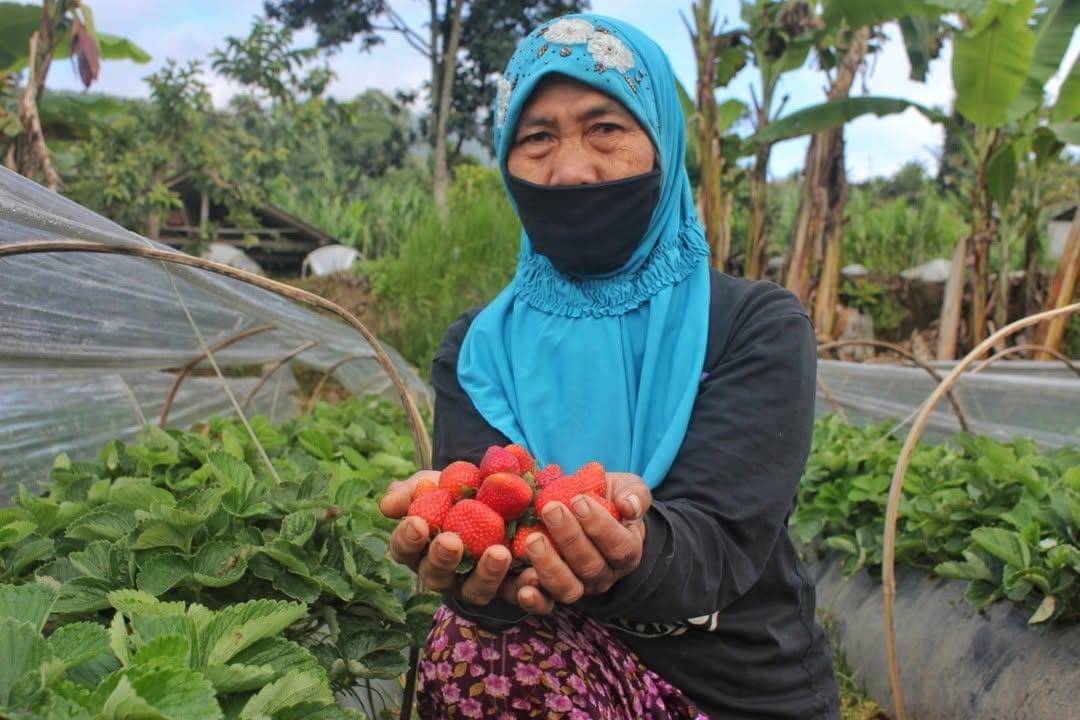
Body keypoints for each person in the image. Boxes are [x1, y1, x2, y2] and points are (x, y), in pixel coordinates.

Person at [379, 13, 841, 719]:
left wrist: (628, 547)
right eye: (536, 138)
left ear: (661, 145)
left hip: (735, 688)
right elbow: (488, 539)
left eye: (606, 128)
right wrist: (473, 566)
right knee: (480, 645)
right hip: (538, 677)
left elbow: (717, 541)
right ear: (506, 160)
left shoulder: (753, 325)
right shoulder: (478, 349)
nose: (569, 170)